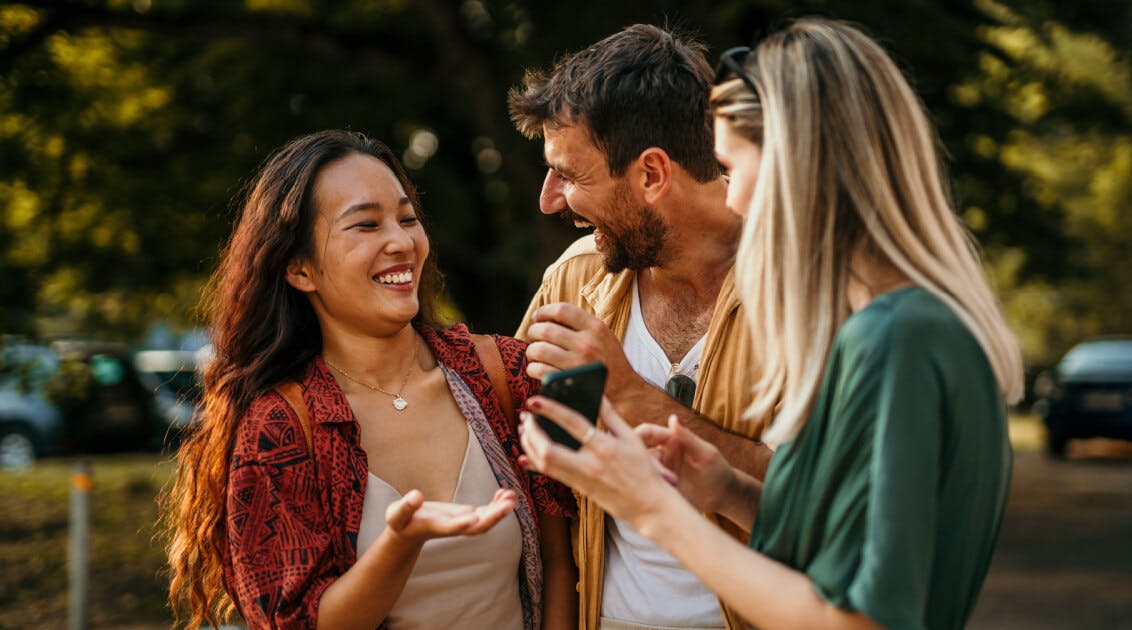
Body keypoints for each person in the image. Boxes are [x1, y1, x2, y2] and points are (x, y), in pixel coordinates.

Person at [519, 18, 1025, 630]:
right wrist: (727, 492)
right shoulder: (921, 324)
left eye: (734, 166)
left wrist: (655, 509)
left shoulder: (891, 337)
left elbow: (861, 618)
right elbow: (845, 536)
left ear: (795, 170)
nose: (728, 197)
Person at [162, 130, 577, 630]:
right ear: (300, 269)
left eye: (407, 218)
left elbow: (562, 562)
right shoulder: (281, 428)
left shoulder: (504, 376)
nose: (401, 242)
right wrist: (400, 544)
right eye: (365, 225)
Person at [509, 24, 776, 630]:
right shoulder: (574, 280)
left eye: (571, 176)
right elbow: (515, 454)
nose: (551, 200)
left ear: (653, 174)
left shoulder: (805, 289)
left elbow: (836, 506)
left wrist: (635, 399)